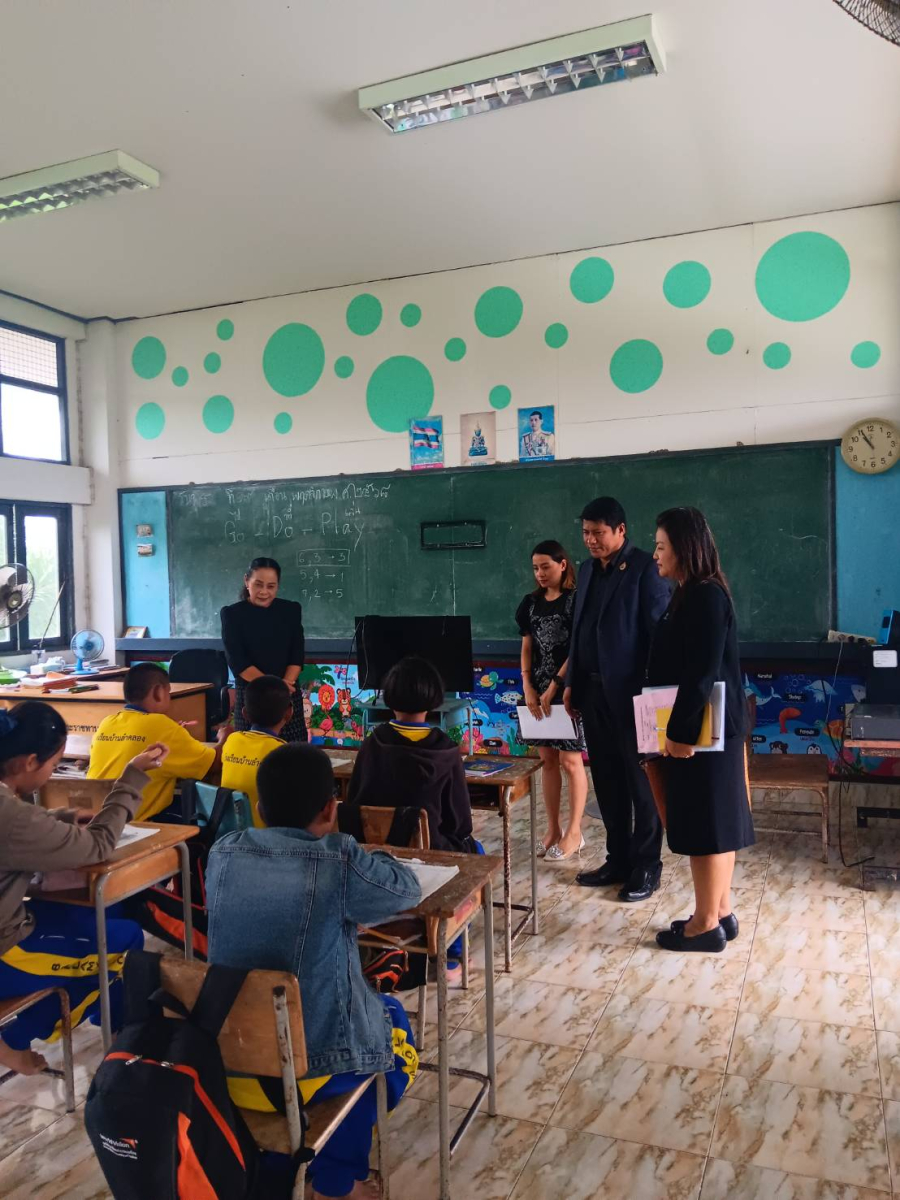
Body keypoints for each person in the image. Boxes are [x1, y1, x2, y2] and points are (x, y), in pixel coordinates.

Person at [207, 744, 420, 1200]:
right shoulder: (338, 859)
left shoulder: (224, 851)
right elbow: (405, 891)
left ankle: (281, 1164)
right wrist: (367, 851)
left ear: (260, 809)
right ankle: (337, 1182)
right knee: (391, 1032)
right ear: (330, 808)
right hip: (311, 1073)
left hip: (228, 1064)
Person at [0, 702, 167, 1076]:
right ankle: (15, 1037)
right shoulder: (10, 816)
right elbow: (98, 846)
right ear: (29, 761)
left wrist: (60, 818)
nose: (52, 772)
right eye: (53, 764)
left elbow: (19, 826)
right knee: (121, 943)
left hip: (13, 922)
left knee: (99, 917)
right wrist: (132, 778)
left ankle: (117, 1025)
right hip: (5, 951)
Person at [647, 507, 754, 953]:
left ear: (684, 547)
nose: (655, 554)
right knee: (714, 822)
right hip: (707, 730)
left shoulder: (705, 595)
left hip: (704, 732)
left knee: (707, 826)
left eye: (661, 546)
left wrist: (680, 733)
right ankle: (719, 912)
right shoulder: (692, 592)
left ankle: (705, 925)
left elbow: (701, 673)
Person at [564, 496, 672, 901]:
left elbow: (659, 637)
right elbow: (579, 631)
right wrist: (571, 682)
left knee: (642, 785)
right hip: (593, 693)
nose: (590, 540)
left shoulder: (646, 568)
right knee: (607, 783)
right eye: (585, 532)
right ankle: (618, 859)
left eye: (598, 532)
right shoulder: (587, 570)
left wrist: (654, 697)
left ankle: (647, 866)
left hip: (635, 698)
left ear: (621, 530)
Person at [347, 656, 476, 854]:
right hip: (430, 849)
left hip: (374, 848)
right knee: (474, 847)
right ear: (434, 699)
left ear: (389, 697)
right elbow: (461, 825)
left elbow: (353, 805)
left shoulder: (372, 744)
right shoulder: (447, 751)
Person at [515, 540, 588, 861]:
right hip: (537, 688)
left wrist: (555, 685)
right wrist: (528, 686)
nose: (540, 573)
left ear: (562, 564)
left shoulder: (576, 601)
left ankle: (575, 833)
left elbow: (578, 648)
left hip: (568, 688)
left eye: (546, 566)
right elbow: (527, 647)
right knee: (548, 761)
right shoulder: (530, 604)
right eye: (535, 568)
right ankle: (553, 829)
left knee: (571, 761)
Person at [88, 662, 225, 821]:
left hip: (95, 821)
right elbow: (214, 763)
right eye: (168, 692)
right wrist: (225, 736)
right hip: (135, 826)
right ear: (158, 692)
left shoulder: (107, 722)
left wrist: (175, 733)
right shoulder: (163, 726)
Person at [220, 556, 307, 743]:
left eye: (271, 586)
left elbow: (297, 655)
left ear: (278, 586)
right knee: (251, 751)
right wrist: (274, 688)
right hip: (252, 695)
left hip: (287, 694)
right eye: (258, 585)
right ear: (247, 581)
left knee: (293, 752)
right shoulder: (232, 614)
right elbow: (238, 662)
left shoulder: (290, 610)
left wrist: (283, 687)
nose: (264, 592)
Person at [220, 674, 292, 826]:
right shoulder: (283, 752)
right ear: (289, 713)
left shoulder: (232, 740)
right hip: (266, 837)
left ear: (244, 713)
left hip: (229, 834)